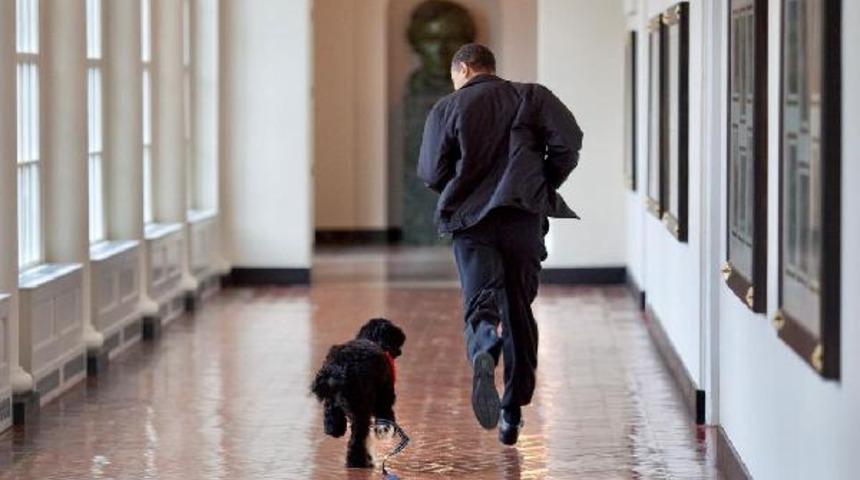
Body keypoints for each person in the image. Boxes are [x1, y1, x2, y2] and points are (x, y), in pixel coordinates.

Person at [417, 43, 583, 446]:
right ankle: (511, 411)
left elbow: (430, 170)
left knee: (480, 301)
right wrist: (539, 182)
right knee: (518, 309)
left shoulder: (447, 108)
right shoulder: (532, 96)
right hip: (522, 218)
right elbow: (569, 142)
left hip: (472, 223)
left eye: (453, 75)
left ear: (464, 68)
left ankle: (484, 346)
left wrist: (460, 187)